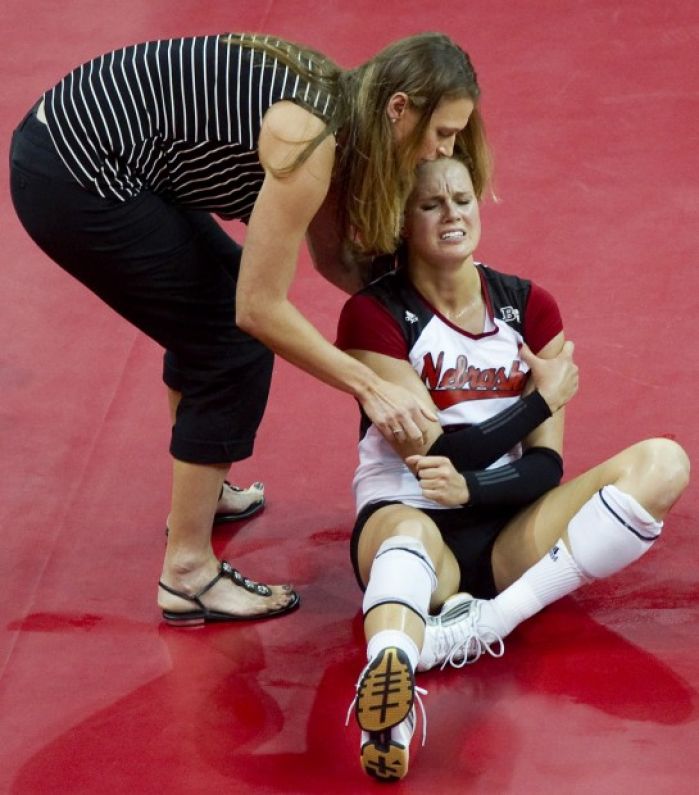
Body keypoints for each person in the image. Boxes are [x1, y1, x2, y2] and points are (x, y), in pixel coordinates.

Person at [9, 32, 489, 624]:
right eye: (442, 132)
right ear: (399, 108)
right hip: (72, 171)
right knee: (229, 344)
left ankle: (201, 495)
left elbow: (335, 257)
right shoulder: (310, 137)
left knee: (216, 293)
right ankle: (188, 573)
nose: (443, 152)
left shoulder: (345, 111)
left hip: (112, 154)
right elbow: (257, 310)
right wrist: (371, 386)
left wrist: (422, 329)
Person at [336, 156, 690, 781]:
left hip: (508, 529)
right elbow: (437, 454)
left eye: (462, 199)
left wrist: (475, 488)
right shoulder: (373, 315)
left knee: (663, 464)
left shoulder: (529, 307)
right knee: (407, 534)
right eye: (430, 205)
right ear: (401, 222)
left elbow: (546, 467)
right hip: (407, 514)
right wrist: (539, 402)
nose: (452, 214)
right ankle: (390, 711)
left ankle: (483, 625)